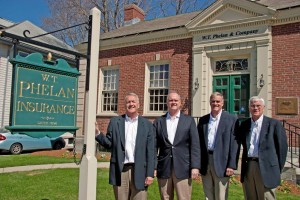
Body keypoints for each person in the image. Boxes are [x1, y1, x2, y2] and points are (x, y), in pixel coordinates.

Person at [95, 93, 155, 200]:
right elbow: (109, 143)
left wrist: (150, 174)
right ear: (125, 105)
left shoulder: (147, 125)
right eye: (128, 102)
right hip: (121, 170)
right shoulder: (115, 122)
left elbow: (151, 151)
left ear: (138, 105)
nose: (131, 104)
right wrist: (97, 133)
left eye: (133, 101)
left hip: (140, 169)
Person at [153, 91, 200, 200]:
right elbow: (153, 147)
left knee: (184, 197)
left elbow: (195, 145)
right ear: (167, 103)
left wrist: (195, 166)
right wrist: (154, 166)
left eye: (176, 100)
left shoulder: (189, 121)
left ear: (180, 103)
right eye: (170, 100)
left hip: (184, 167)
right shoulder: (159, 121)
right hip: (164, 167)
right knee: (165, 197)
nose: (173, 102)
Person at [239, 96, 288, 200]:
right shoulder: (244, 125)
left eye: (258, 106)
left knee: (267, 197)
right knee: (250, 197)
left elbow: (282, 150)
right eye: (253, 106)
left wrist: (276, 168)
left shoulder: (274, 124)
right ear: (249, 108)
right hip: (249, 166)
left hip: (267, 168)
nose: (255, 108)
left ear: (263, 107)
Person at [197, 92, 239, 200]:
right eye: (213, 101)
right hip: (206, 162)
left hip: (222, 162)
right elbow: (198, 143)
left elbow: (234, 144)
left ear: (222, 103)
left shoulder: (231, 119)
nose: (215, 103)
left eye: (218, 101)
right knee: (208, 194)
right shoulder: (203, 120)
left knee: (221, 195)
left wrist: (231, 165)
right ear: (210, 103)